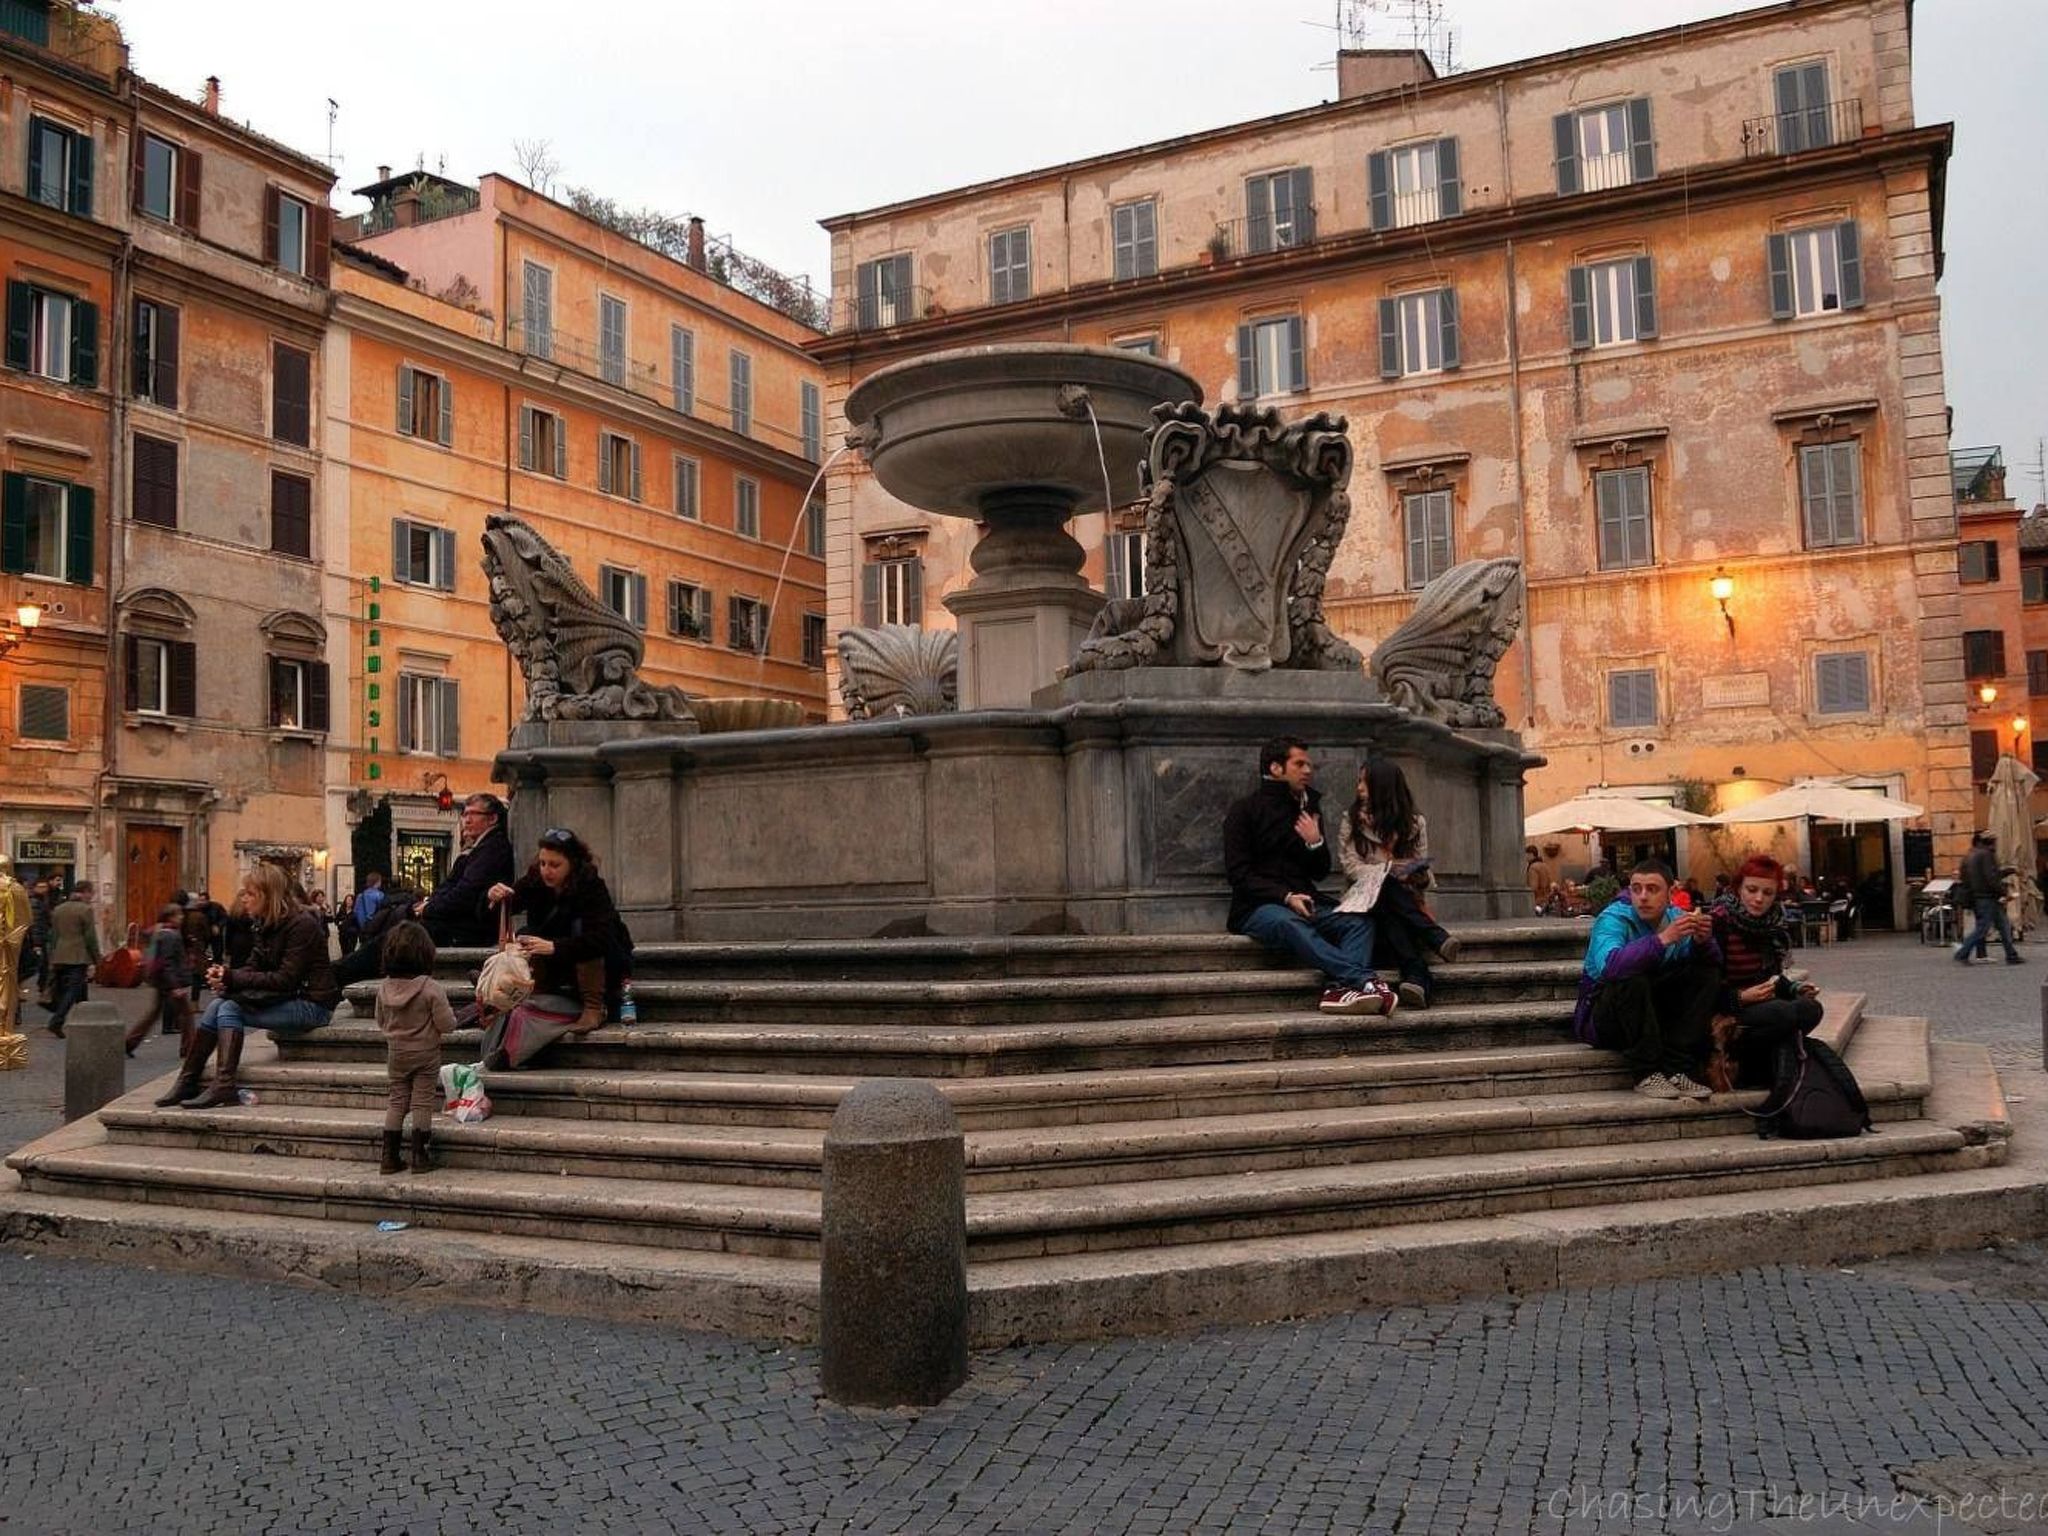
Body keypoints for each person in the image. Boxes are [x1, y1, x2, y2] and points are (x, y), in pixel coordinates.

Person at [1222, 738, 1393, 1017]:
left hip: (1308, 900)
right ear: (1276, 768)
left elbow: (1320, 872)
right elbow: (1239, 874)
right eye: (1299, 764)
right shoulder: (1244, 811)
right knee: (1290, 923)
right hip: (1258, 908)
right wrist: (1286, 897)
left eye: (1309, 765)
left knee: (1358, 922)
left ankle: (1338, 990)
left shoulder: (1308, 808)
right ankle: (1364, 980)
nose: (1308, 771)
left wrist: (1314, 842)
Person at [156, 865, 339, 1110]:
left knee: (230, 1008)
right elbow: (253, 966)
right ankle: (188, 1079)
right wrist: (224, 976)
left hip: (312, 1005)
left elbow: (285, 979)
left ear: (267, 895)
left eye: (249, 893)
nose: (244, 898)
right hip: (287, 998)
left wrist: (232, 978)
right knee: (217, 1006)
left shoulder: (301, 925)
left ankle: (224, 1084)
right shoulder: (265, 923)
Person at [480, 827, 631, 1068]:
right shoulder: (535, 881)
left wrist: (554, 947)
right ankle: (533, 991)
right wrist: (493, 897)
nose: (546, 871)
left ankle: (593, 1007)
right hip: (557, 961)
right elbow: (503, 907)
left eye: (554, 865)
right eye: (542, 863)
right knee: (526, 936)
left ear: (572, 863)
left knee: (582, 932)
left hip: (601, 961)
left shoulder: (591, 886)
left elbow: (602, 938)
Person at [1574, 859, 1721, 1100]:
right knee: (1629, 976)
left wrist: (1703, 943)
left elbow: (1710, 965)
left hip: (1654, 1014)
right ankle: (1646, 1073)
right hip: (1607, 1017)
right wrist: (1662, 940)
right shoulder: (1611, 919)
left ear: (1670, 893)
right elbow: (1611, 967)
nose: (1643, 896)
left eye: (1652, 889)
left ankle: (1677, 1069)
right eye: (1636, 888)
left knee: (1706, 973)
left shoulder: (1677, 917)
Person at [1336, 758, 1460, 1010]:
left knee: (1390, 905)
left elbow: (1423, 870)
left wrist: (1417, 873)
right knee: (1384, 885)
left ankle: (1416, 977)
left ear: (1381, 785)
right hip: (1362, 901)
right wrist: (1387, 870)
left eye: (1364, 781)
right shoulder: (1351, 821)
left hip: (1402, 902)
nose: (1358, 787)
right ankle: (1433, 939)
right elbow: (1350, 867)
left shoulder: (1414, 824)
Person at [1707, 854, 1822, 1087]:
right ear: (1738, 888)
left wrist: (1795, 988)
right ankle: (1754, 1068)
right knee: (1782, 1013)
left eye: (1767, 893)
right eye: (1751, 890)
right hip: (1724, 1008)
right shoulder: (1718, 923)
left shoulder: (1772, 926)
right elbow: (1700, 990)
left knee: (1810, 1009)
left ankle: (1769, 1066)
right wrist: (1740, 998)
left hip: (1759, 1003)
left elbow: (1772, 977)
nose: (1758, 899)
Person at [373, 920, 455, 1175]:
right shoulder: (431, 988)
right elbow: (447, 1024)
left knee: (397, 1100)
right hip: (426, 1053)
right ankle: (420, 1155)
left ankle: (389, 1157)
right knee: (421, 1102)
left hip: (396, 1053)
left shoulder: (384, 988)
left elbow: (379, 1019)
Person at [124, 904, 195, 1057]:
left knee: (154, 1013)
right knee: (187, 1015)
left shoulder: (159, 932)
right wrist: (175, 986)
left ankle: (129, 1043)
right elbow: (167, 963)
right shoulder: (170, 935)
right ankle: (189, 1049)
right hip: (169, 982)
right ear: (170, 917)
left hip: (162, 981)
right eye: (178, 915)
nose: (182, 918)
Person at [1954, 830, 2022, 966]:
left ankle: (2011, 955)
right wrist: (2004, 892)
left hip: (1979, 896)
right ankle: (1962, 953)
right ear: (1990, 842)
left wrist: (2009, 871)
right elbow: (1991, 878)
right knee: (1984, 928)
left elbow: (1981, 876)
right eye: (1995, 841)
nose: (1996, 844)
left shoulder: (1971, 855)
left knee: (2003, 926)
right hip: (1987, 897)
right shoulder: (1986, 855)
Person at [45, 881, 99, 1038]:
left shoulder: (58, 909)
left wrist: (53, 955)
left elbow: (53, 935)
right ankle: (57, 1021)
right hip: (77, 956)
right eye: (91, 893)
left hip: (60, 955)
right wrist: (96, 958)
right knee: (73, 990)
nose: (92, 896)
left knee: (80, 991)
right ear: (85, 892)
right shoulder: (86, 909)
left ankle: (86, 1021)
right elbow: (90, 937)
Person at [1526, 846, 1555, 916]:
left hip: (1537, 901)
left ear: (1531, 854)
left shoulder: (1533, 868)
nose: (1526, 858)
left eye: (1526, 855)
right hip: (1546, 900)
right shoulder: (1545, 866)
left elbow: (1533, 887)